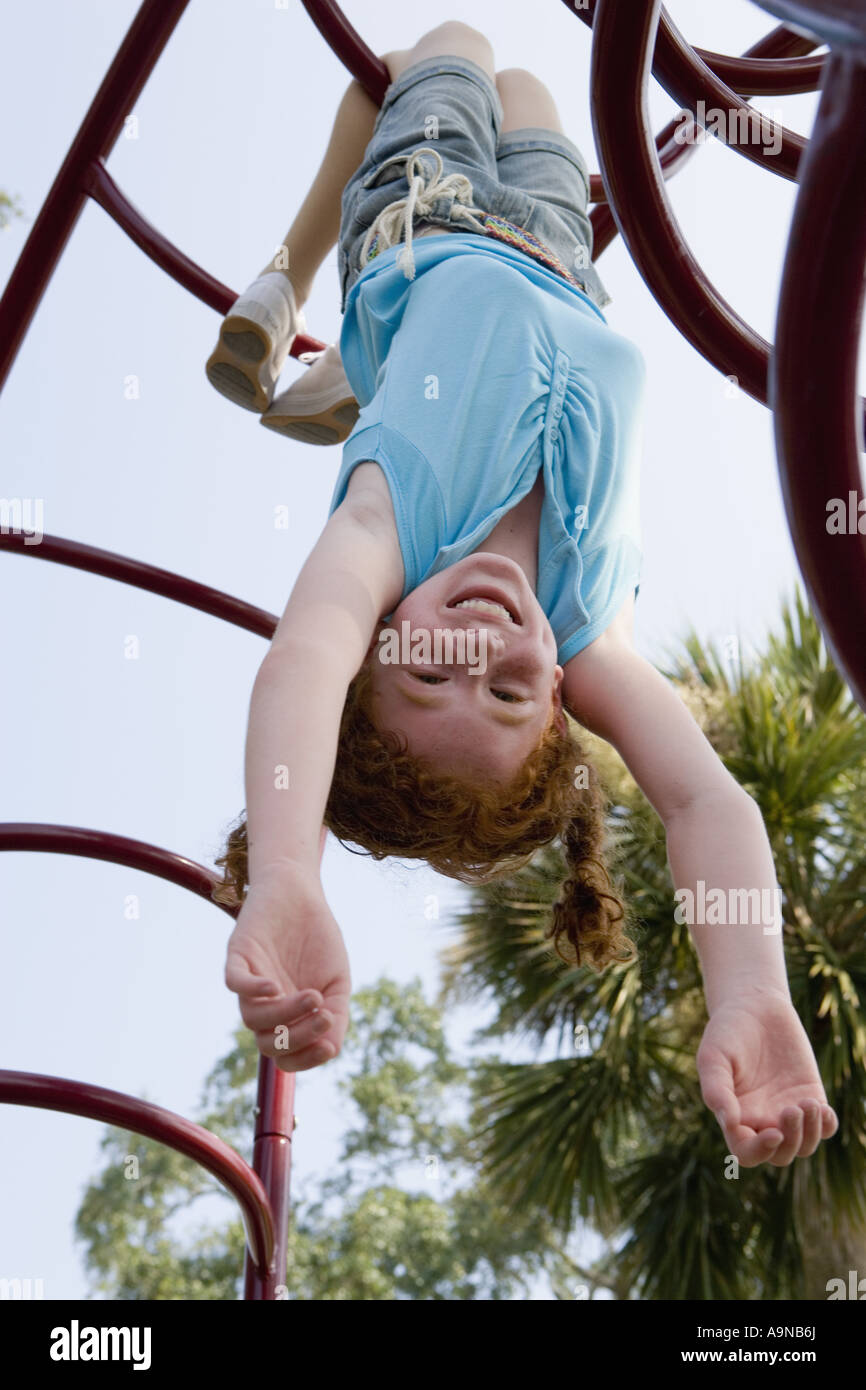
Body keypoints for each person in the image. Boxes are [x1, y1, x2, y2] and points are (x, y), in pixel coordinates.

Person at [207, 21, 837, 1169]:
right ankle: (353, 350)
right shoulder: (593, 634)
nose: (483, 642)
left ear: (378, 639)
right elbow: (704, 805)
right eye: (504, 691)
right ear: (557, 698)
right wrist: (749, 988)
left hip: (423, 217)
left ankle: (310, 290)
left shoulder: (386, 529)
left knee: (450, 43)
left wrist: (289, 870)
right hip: (561, 255)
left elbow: (296, 661)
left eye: (429, 666)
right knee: (537, 86)